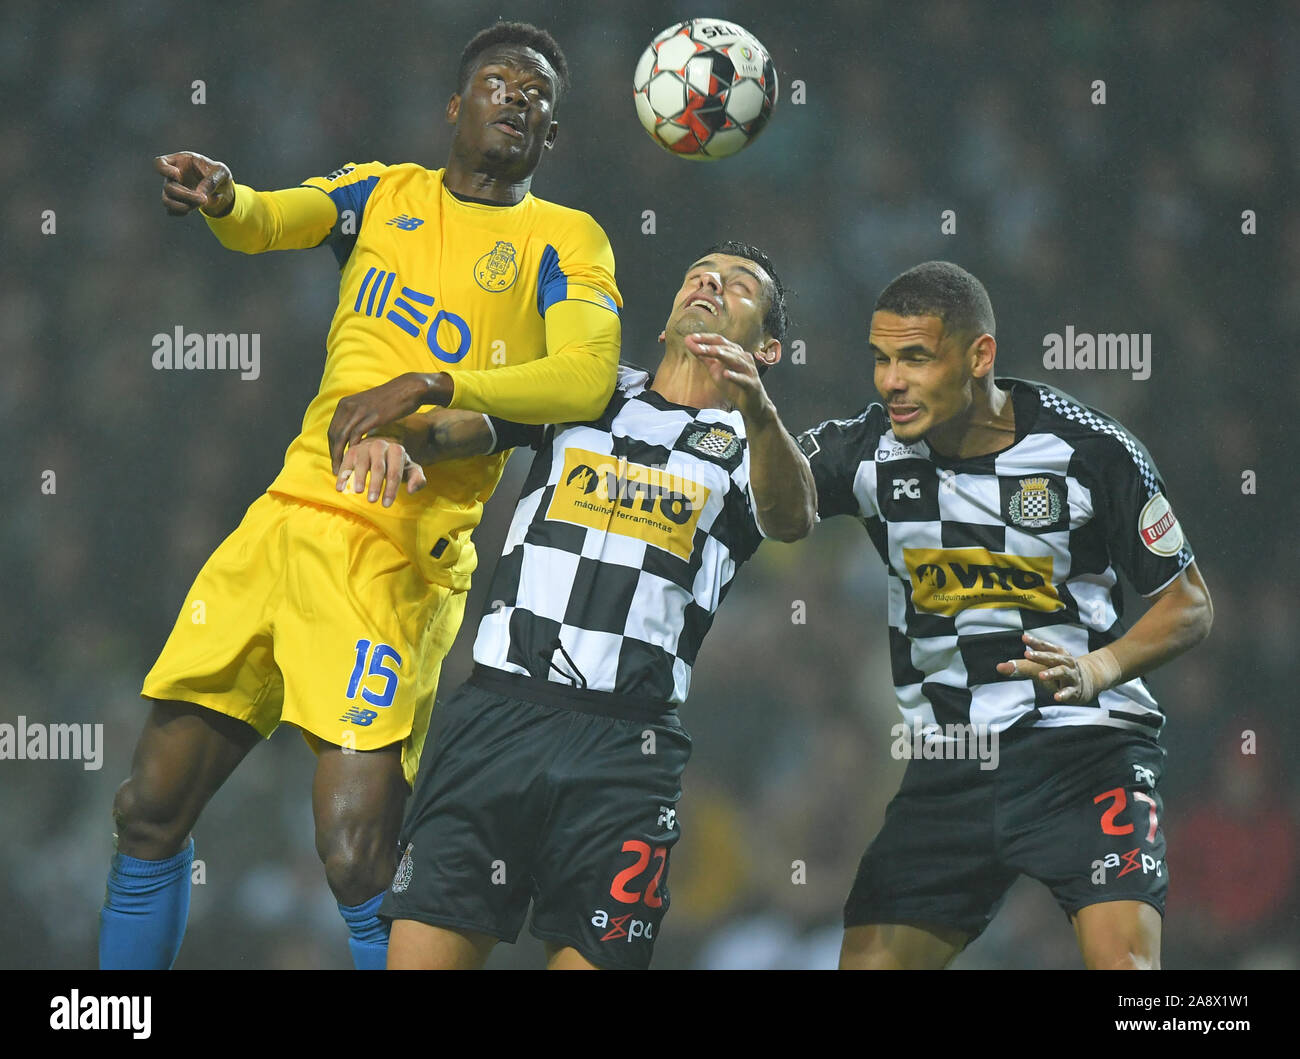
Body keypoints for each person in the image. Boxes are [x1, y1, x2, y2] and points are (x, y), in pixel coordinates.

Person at [100, 21, 623, 970]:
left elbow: (588, 375)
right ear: (454, 107)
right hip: (281, 524)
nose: (521, 99)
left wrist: (435, 384)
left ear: (551, 138)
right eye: (502, 82)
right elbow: (266, 217)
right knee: (148, 808)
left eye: (541, 96)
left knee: (355, 855)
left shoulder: (564, 239)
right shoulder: (378, 193)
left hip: (395, 553)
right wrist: (222, 195)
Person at [336, 243, 816, 969]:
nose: (712, 282)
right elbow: (453, 429)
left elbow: (791, 517)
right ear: (664, 324)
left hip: (626, 752)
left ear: (771, 346)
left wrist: (758, 410)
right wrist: (394, 440)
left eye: (741, 284)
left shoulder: (757, 443)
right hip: (498, 719)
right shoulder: (586, 392)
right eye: (698, 273)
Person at [796, 261, 1213, 970]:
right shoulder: (869, 450)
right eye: (882, 358)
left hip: (1084, 750)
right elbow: (772, 499)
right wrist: (750, 406)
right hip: (950, 759)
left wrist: (1095, 668)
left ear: (979, 355)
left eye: (915, 358)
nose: (890, 381)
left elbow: (1190, 603)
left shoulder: (1091, 451)